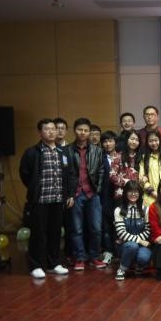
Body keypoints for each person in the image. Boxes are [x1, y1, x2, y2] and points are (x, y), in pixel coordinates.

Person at [19, 118, 70, 279]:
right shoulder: (32, 152)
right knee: (38, 234)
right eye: (47, 129)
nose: (51, 132)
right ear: (40, 132)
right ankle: (36, 265)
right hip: (40, 200)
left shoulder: (62, 152)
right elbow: (25, 173)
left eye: (53, 129)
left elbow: (68, 175)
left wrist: (67, 194)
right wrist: (34, 188)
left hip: (58, 199)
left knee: (55, 233)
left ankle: (54, 263)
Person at [62, 117, 105, 271]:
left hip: (92, 194)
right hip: (75, 195)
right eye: (80, 129)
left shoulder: (97, 150)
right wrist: (68, 195)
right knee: (76, 229)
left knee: (96, 228)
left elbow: (101, 171)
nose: (83, 132)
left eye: (86, 130)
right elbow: (64, 175)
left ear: (89, 132)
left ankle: (94, 257)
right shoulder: (66, 151)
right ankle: (79, 258)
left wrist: (97, 189)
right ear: (74, 131)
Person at [113, 181, 151, 281]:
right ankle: (122, 269)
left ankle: (137, 266)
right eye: (130, 191)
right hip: (125, 245)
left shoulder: (146, 210)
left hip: (141, 245)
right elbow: (121, 233)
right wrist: (140, 241)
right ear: (125, 193)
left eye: (136, 191)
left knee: (144, 257)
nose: (133, 194)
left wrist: (139, 242)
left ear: (140, 193)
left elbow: (148, 230)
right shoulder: (118, 210)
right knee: (132, 246)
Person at [99, 130, 118, 265]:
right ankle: (108, 251)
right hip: (104, 195)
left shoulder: (121, 157)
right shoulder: (100, 157)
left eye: (110, 141)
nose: (107, 144)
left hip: (119, 196)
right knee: (106, 226)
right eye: (105, 141)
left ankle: (118, 252)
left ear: (115, 142)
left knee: (119, 224)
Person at [109, 130, 142, 202]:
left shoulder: (141, 157)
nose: (134, 142)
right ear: (127, 140)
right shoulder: (118, 156)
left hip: (137, 195)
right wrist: (126, 182)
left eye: (137, 140)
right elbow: (112, 176)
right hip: (122, 194)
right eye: (132, 139)